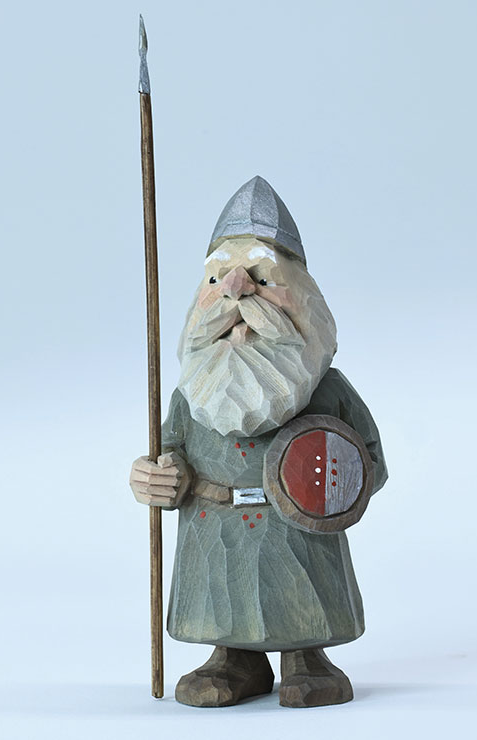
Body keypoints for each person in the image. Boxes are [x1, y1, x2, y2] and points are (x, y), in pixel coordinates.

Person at [130, 176, 388, 707]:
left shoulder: (328, 392)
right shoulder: (190, 396)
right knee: (224, 601)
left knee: (300, 601)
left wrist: (335, 482)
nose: (236, 289)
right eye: (217, 277)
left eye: (263, 279)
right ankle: (233, 661)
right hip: (213, 534)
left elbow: (371, 465)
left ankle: (307, 659)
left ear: (307, 301)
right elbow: (167, 455)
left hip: (300, 537)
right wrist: (155, 478)